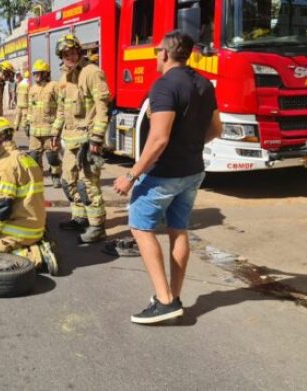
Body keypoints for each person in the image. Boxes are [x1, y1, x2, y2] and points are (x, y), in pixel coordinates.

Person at [113, 30, 222, 324]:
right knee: (178, 229)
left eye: (156, 51)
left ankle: (163, 300)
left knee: (140, 226)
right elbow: (216, 130)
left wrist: (131, 175)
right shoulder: (203, 83)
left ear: (164, 53)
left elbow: (159, 139)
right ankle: (173, 296)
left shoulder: (164, 86)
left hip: (164, 174)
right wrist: (190, 146)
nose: (155, 56)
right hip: (193, 171)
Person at [53, 34, 111, 243]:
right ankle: (79, 217)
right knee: (68, 180)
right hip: (70, 139)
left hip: (87, 138)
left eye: (72, 52)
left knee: (88, 183)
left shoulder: (92, 73)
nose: (69, 56)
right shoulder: (64, 77)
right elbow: (61, 109)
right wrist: (55, 132)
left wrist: (96, 138)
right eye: (65, 54)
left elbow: (103, 107)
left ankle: (97, 227)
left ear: (79, 51)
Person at [0, 117, 58, 274]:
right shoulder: (26, 158)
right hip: (37, 223)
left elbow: (3, 205)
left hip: (22, 228)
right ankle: (38, 244)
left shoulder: (6, 164)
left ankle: (35, 255)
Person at [26, 59, 62, 188]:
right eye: (34, 73)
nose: (35, 76)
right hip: (35, 131)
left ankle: (56, 176)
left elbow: (61, 108)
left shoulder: (54, 86)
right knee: (34, 157)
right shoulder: (32, 89)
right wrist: (27, 122)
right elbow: (30, 107)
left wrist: (58, 128)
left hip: (50, 130)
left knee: (52, 157)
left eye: (38, 73)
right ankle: (37, 180)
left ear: (46, 74)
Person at [13, 71, 31, 140]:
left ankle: (15, 128)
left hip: (19, 104)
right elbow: (30, 94)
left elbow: (16, 93)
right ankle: (27, 133)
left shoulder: (20, 84)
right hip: (25, 104)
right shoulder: (28, 84)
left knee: (17, 116)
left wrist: (15, 101)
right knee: (25, 119)